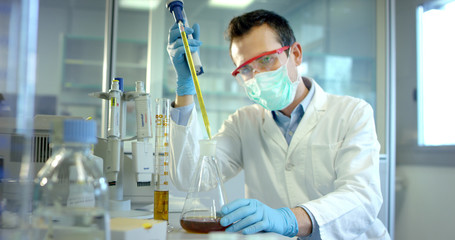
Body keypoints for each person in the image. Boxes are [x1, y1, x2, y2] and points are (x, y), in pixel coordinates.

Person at [167, 9, 390, 239]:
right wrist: (185, 87)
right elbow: (190, 175)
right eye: (245, 69)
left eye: (266, 59)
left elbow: (362, 197)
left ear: (295, 54)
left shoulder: (352, 113)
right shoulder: (243, 122)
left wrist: (290, 219)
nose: (258, 75)